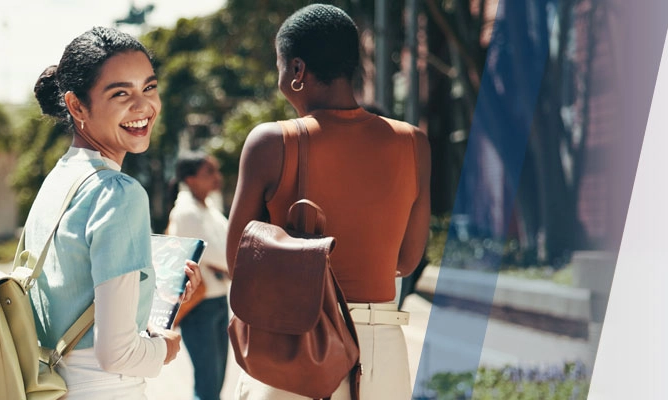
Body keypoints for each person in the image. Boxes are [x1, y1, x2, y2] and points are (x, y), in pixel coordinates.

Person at [225, 4, 431, 399]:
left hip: (296, 343)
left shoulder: (271, 142)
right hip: (381, 348)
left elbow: (240, 262)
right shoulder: (413, 143)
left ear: (297, 71)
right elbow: (405, 261)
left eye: (280, 66)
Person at [27, 26, 200, 398]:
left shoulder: (58, 181)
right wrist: (165, 347)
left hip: (47, 384)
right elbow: (117, 353)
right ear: (76, 106)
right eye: (121, 93)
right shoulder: (119, 193)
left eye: (149, 88)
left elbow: (72, 296)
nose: (142, 107)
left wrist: (156, 291)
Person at [166, 152, 231, 400]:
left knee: (215, 381)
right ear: (190, 179)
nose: (217, 178)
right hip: (199, 306)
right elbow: (220, 253)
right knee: (208, 383)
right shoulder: (185, 212)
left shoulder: (209, 206)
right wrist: (227, 264)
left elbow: (227, 247)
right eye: (209, 173)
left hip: (216, 300)